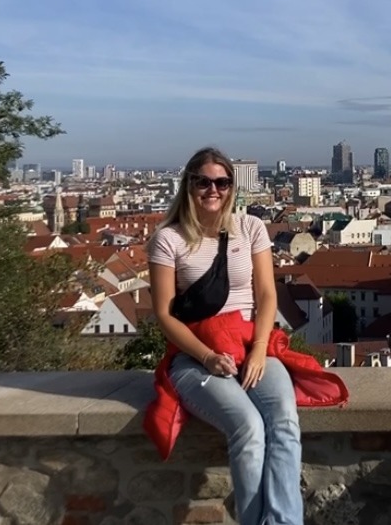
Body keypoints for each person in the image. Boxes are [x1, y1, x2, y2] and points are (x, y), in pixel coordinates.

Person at [148, 146, 303, 525]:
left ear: (232, 187)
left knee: (283, 419)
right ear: (189, 185)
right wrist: (206, 357)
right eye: (204, 182)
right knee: (248, 427)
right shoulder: (168, 239)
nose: (213, 190)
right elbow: (165, 315)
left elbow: (267, 294)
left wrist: (260, 349)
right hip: (196, 357)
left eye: (221, 182)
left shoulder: (250, 227)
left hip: (253, 346)